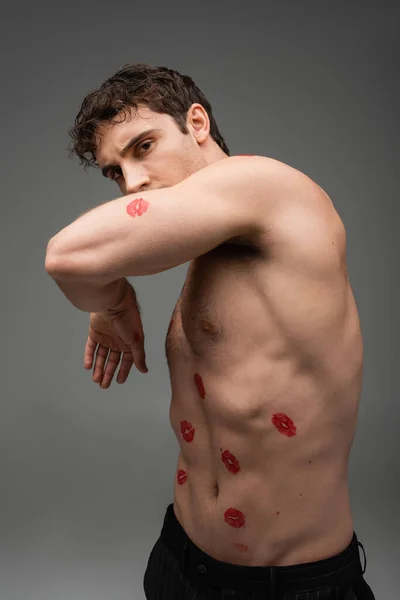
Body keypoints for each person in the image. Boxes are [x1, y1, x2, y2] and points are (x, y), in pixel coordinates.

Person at [45, 64, 375, 599]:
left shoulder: (265, 185)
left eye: (143, 147)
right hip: (180, 561)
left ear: (196, 122)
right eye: (114, 171)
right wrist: (108, 305)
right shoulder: (211, 241)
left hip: (284, 587)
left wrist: (113, 300)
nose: (132, 182)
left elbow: (66, 256)